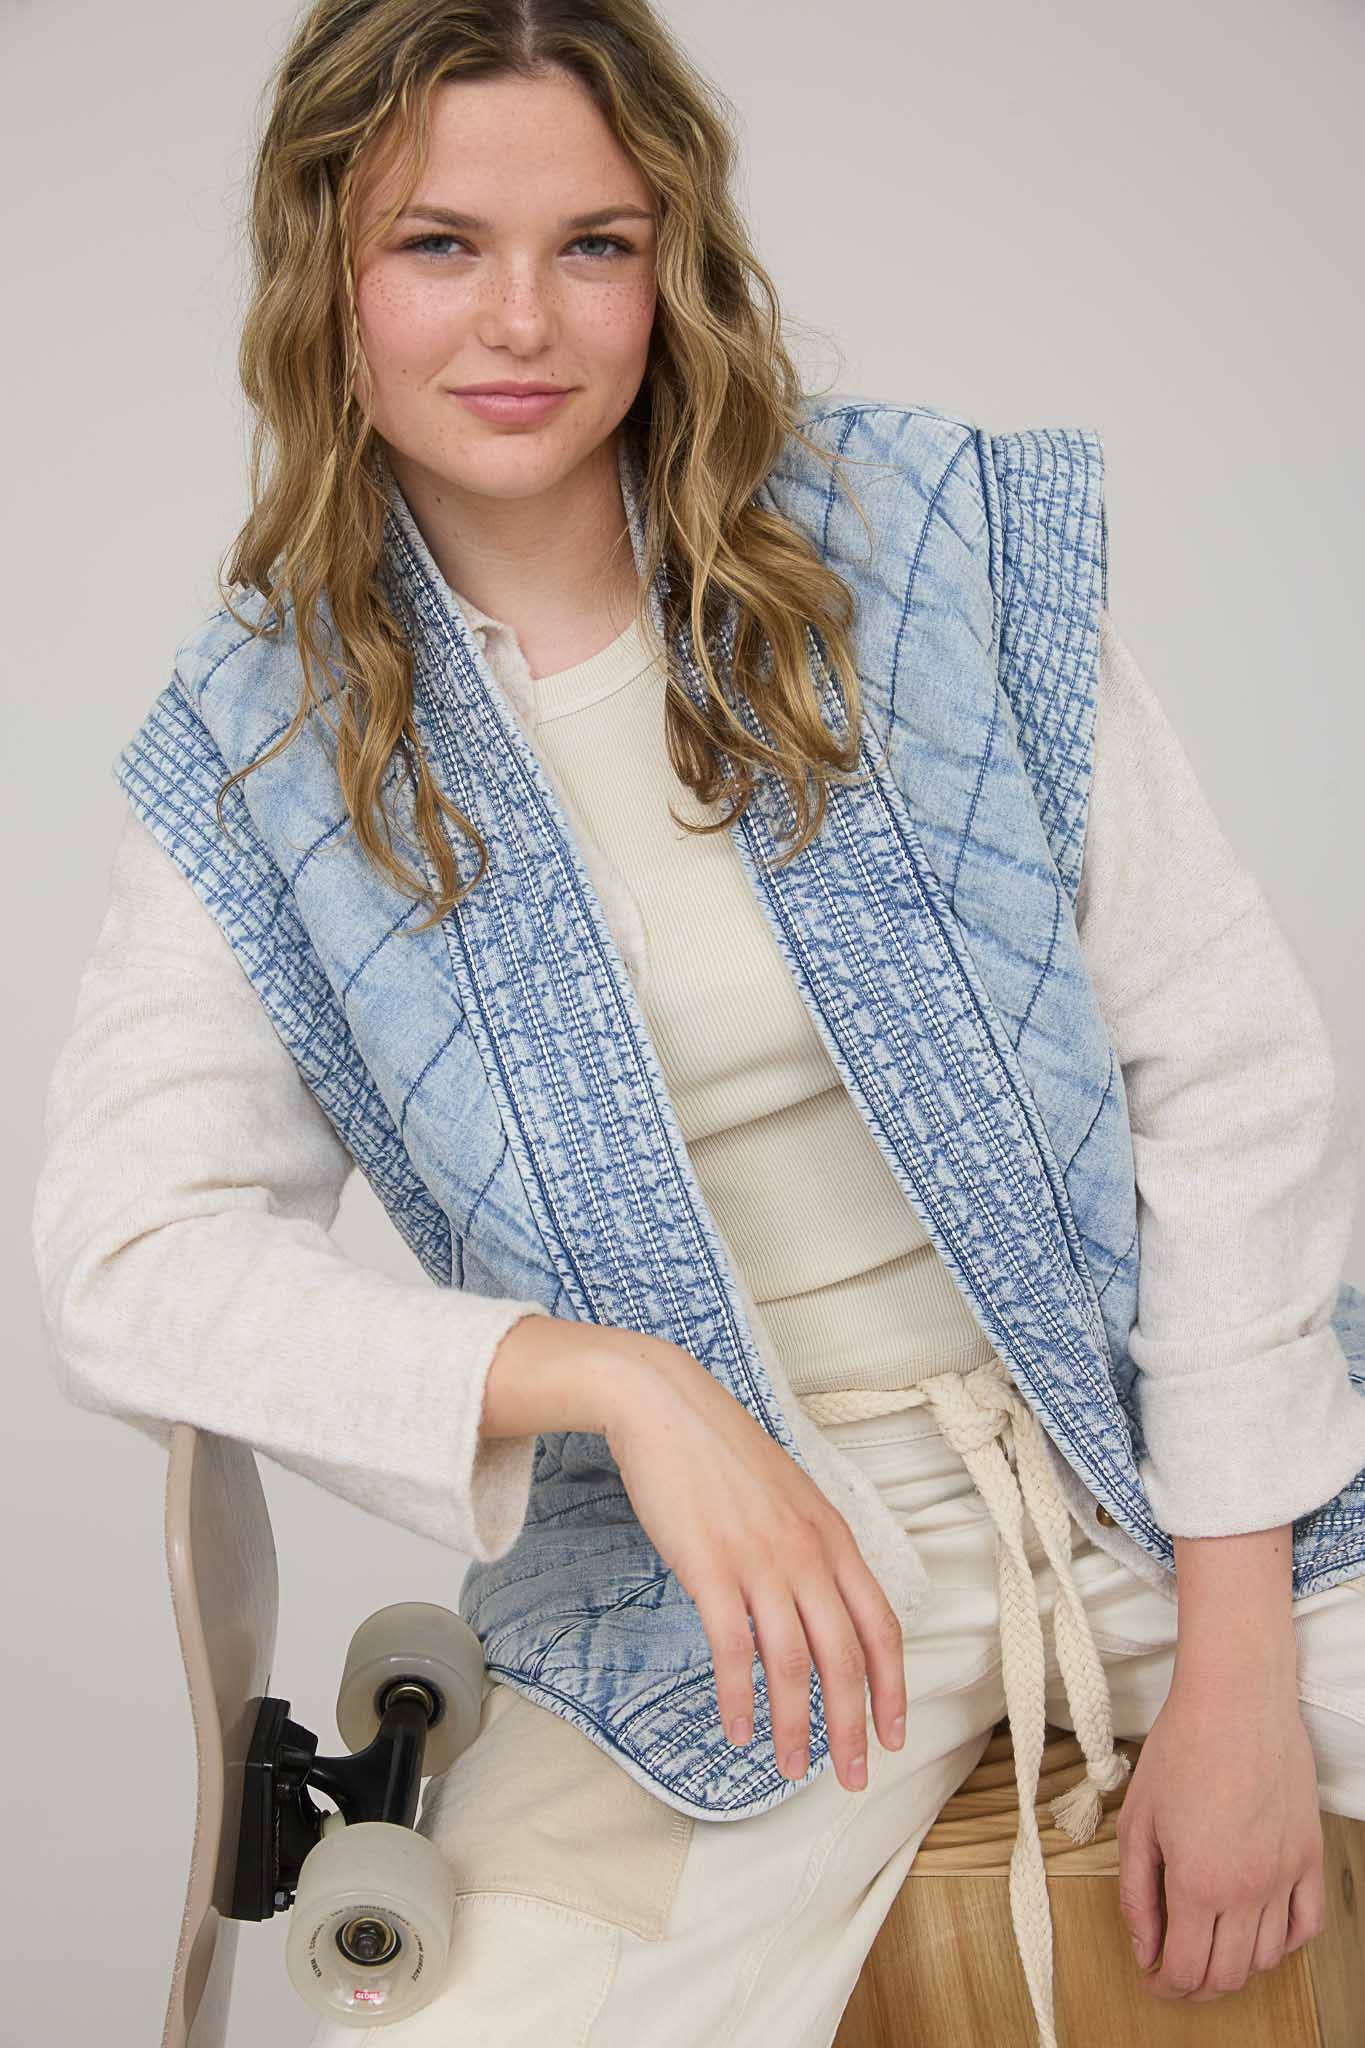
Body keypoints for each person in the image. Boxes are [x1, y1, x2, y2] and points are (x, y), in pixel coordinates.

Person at [30, 3, 1365, 2044]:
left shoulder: (922, 547)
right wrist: (622, 1389)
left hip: (1175, 1462)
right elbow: (130, 1261)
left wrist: (1238, 1661)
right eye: (437, 244)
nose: (522, 321)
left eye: (592, 244)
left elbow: (1225, 1070)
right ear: (324, 271)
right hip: (718, 1596)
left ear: (671, 264)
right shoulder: (265, 751)